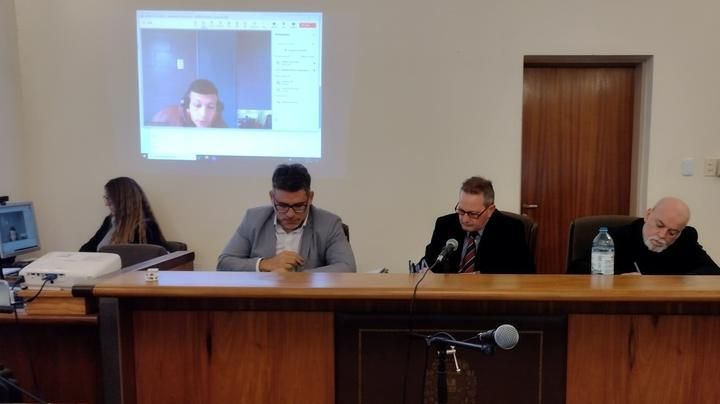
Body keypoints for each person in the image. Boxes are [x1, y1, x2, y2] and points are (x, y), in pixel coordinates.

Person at [218, 164, 356, 273]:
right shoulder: (253, 219)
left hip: (309, 298)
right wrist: (266, 264)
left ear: (310, 198)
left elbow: (347, 267)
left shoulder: (329, 223)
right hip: (262, 296)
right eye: (282, 206)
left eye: (298, 206)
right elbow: (224, 262)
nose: (290, 214)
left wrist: (297, 278)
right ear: (272, 197)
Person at [569, 197, 719, 275]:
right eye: (659, 225)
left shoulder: (686, 238)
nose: (662, 235)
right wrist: (618, 279)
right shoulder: (615, 237)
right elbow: (576, 270)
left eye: (672, 232)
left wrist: (676, 281)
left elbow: (713, 272)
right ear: (648, 215)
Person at [424, 176, 535, 274]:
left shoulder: (511, 229)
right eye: (461, 211)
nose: (465, 219)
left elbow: (524, 273)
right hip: (449, 290)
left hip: (489, 290)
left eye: (473, 214)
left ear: (490, 210)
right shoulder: (445, 225)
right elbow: (431, 263)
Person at [80, 177, 168, 252]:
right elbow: (86, 248)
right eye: (106, 198)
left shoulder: (146, 227)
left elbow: (155, 258)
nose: (106, 204)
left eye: (109, 198)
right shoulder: (109, 221)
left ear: (123, 200)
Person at [150, 79, 228, 128]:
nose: (203, 114)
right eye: (197, 105)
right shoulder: (165, 117)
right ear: (187, 105)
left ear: (217, 108)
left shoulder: (220, 125)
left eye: (210, 107)